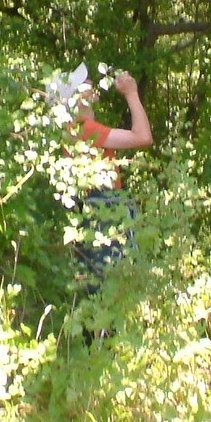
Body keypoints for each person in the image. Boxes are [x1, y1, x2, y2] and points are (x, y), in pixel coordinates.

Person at [50, 63, 153, 285]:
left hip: (93, 211)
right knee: (113, 283)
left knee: (98, 284)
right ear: (76, 97)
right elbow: (143, 136)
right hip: (105, 212)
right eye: (83, 83)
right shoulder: (82, 128)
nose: (90, 83)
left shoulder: (71, 130)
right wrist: (131, 93)